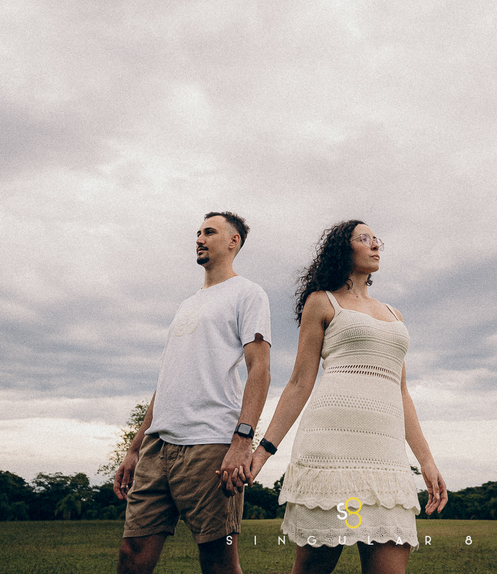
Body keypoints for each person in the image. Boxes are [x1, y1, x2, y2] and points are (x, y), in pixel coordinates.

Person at [249, 219, 448, 574]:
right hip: (331, 451)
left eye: (376, 239)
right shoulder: (322, 302)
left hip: (386, 458)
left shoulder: (393, 314)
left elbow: (401, 392)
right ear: (344, 248)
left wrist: (427, 461)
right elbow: (299, 383)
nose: (375, 245)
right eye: (364, 238)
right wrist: (263, 450)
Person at [114, 211, 271, 574]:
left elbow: (259, 370)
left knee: (218, 560)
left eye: (210, 232)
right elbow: (166, 382)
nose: (199, 238)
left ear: (234, 241)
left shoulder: (248, 294)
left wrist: (242, 440)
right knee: (131, 553)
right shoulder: (187, 304)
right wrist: (136, 446)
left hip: (211, 446)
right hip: (158, 447)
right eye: (198, 233)